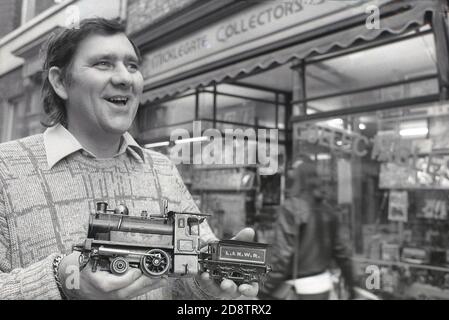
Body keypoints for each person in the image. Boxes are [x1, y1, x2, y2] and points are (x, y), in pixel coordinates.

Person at [0, 18, 258, 300]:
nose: (125, 78)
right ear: (60, 82)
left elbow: (187, 279)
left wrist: (210, 289)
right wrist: (62, 281)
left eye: (132, 65)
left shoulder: (162, 169)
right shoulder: (6, 168)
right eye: (103, 63)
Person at [258, 157, 355, 300]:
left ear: (297, 179)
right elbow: (342, 253)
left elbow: (281, 257)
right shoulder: (328, 210)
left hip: (298, 290)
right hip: (323, 287)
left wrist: (262, 289)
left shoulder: (292, 207)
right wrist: (352, 285)